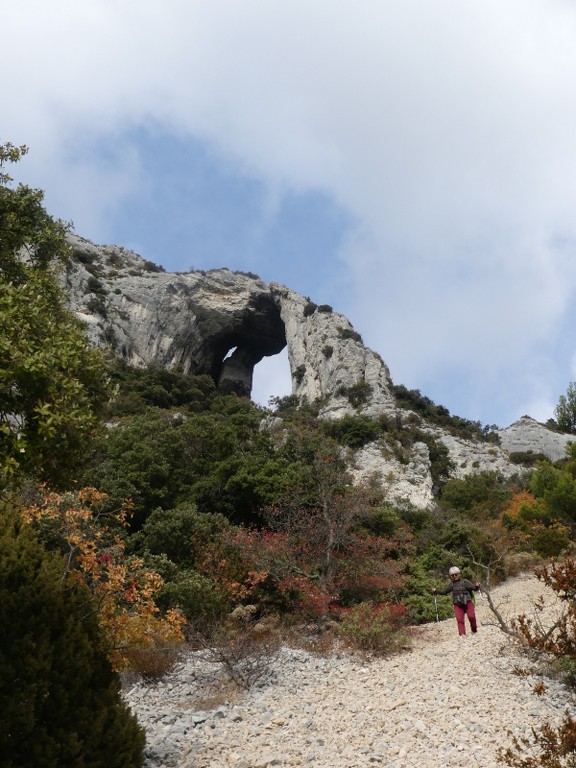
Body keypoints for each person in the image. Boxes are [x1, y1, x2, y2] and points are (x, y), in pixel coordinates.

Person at [432, 566, 481, 637]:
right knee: (460, 619)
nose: (454, 576)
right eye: (452, 575)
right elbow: (444, 592)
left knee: (471, 616)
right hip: (457, 605)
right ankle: (462, 635)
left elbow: (474, 588)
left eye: (456, 574)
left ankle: (474, 630)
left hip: (468, 603)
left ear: (459, 574)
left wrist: (477, 586)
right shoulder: (451, 584)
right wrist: (436, 591)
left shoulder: (465, 582)